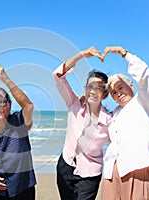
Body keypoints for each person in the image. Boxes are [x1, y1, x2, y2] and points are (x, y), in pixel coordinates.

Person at [101, 46, 149, 199]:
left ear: (132, 85)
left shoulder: (144, 101)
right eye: (113, 92)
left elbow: (146, 75)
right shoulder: (114, 113)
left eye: (120, 87)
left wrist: (124, 53)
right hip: (112, 172)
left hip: (139, 167)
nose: (118, 93)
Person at [53, 46, 113, 200]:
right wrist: (81, 55)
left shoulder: (109, 120)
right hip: (65, 166)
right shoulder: (75, 105)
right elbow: (58, 75)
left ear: (104, 94)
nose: (93, 91)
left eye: (98, 88)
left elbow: (123, 142)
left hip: (89, 174)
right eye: (90, 86)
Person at [0, 64, 36, 200]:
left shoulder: (18, 122)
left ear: (9, 104)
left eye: (2, 102)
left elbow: (28, 106)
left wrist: (5, 78)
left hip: (22, 188)